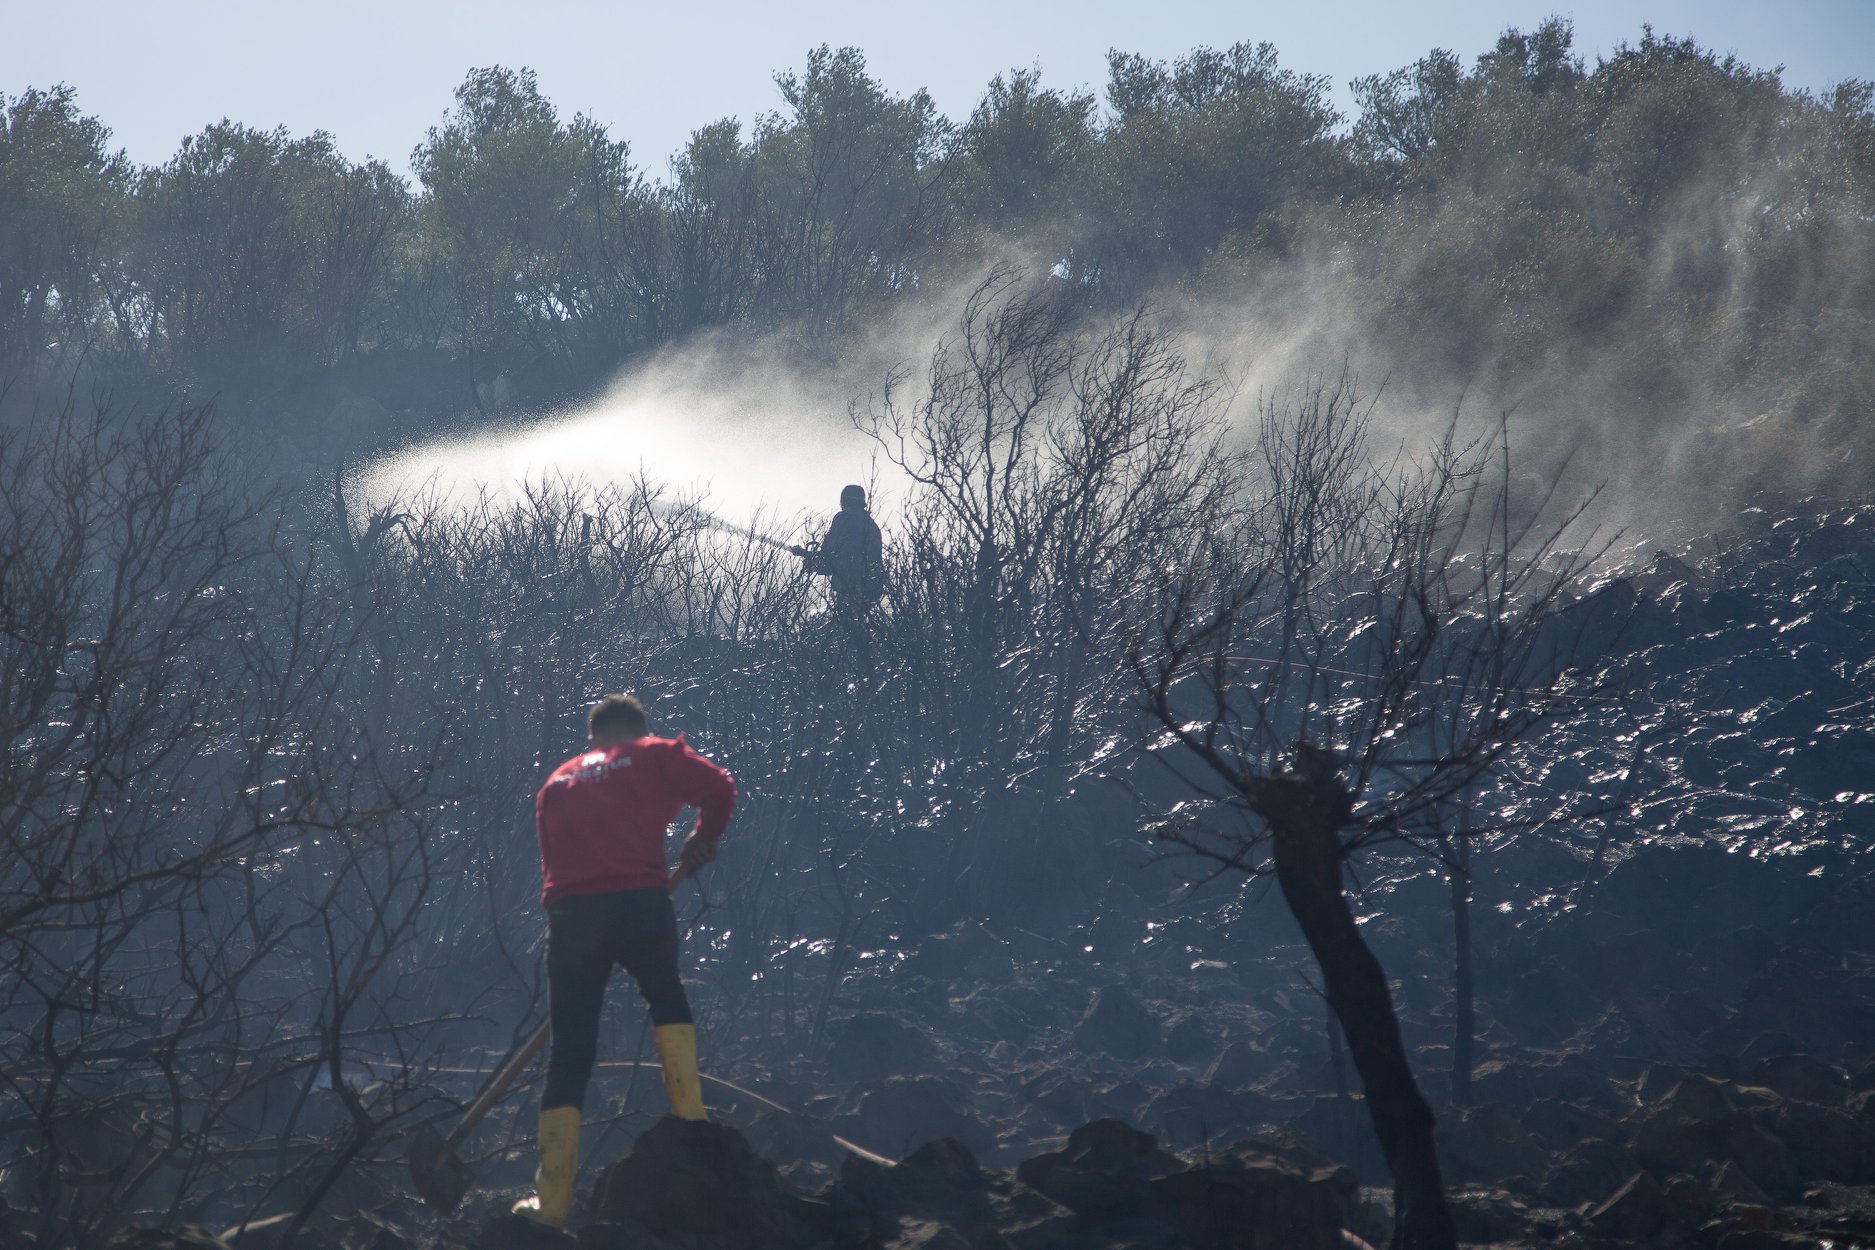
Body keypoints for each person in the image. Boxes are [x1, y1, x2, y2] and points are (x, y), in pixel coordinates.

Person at [514, 693, 736, 1228]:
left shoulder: (557, 780)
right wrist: (703, 839)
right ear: (638, 728)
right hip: (639, 901)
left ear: (594, 738)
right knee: (666, 995)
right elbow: (720, 788)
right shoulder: (654, 752)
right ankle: (691, 1118)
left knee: (569, 1051)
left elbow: (554, 868)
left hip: (572, 916)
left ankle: (551, 1204)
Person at [791, 484, 883, 618]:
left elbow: (829, 559)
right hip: (871, 590)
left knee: (846, 629)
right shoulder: (872, 525)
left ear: (843, 502)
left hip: (848, 588)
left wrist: (807, 556)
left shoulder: (843, 519)